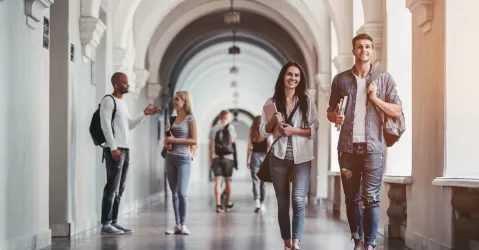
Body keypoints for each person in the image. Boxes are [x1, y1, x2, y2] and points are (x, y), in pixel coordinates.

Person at [327, 33, 403, 250]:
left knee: (371, 198)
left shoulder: (383, 79)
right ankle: (358, 240)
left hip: (374, 148)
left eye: (368, 46)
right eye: (359, 47)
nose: (364, 50)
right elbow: (329, 112)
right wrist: (335, 117)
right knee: (351, 198)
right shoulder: (340, 80)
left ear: (372, 51)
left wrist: (375, 98)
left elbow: (397, 110)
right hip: (347, 149)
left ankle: (370, 244)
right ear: (354, 51)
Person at [260, 61, 319, 250]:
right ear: (283, 77)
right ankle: (287, 242)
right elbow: (264, 131)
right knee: (283, 202)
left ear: (300, 79)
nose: (293, 78)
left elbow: (314, 129)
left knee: (298, 199)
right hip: (278, 157)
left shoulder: (307, 101)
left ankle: (296, 241)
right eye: (289, 74)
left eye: (296, 75)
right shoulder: (271, 102)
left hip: (302, 158)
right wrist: (272, 121)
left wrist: (293, 130)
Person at [99, 72, 160, 235]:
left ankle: (114, 221)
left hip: (125, 148)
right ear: (116, 85)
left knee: (121, 187)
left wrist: (144, 114)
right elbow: (105, 125)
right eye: (125, 83)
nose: (128, 85)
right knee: (112, 186)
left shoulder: (123, 104)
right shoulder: (108, 100)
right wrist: (113, 148)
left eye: (127, 82)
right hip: (115, 149)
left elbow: (130, 125)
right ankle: (105, 223)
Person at [163, 91, 198, 235]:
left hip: (184, 158)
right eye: (173, 99)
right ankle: (177, 224)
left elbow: (194, 140)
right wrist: (167, 142)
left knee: (182, 193)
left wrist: (175, 141)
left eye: (177, 99)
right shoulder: (171, 119)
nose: (174, 102)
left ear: (184, 102)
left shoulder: (191, 119)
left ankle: (184, 224)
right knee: (174, 193)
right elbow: (167, 140)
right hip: (170, 158)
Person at [209, 110, 237, 213]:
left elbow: (210, 146)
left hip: (216, 157)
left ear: (220, 117)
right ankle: (228, 203)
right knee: (228, 181)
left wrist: (210, 161)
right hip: (228, 158)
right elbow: (232, 141)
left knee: (217, 182)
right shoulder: (230, 127)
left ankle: (218, 205)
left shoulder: (213, 129)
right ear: (227, 117)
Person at [246, 115, 271, 213]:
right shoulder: (267, 132)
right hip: (265, 157)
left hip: (254, 157)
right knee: (263, 182)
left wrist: (247, 161)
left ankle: (257, 203)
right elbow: (270, 146)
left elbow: (249, 148)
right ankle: (262, 204)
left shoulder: (251, 133)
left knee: (255, 181)